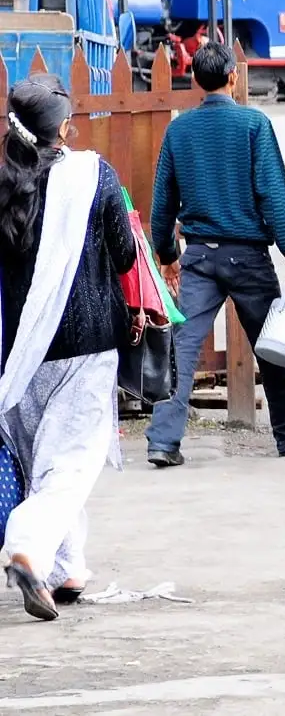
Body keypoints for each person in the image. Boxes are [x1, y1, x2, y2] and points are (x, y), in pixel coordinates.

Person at [0, 73, 139, 620]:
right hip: (86, 343)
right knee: (71, 464)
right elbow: (125, 256)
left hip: (20, 351)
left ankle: (67, 570)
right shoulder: (91, 174)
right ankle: (26, 546)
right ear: (64, 128)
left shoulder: (5, 182)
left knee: (44, 460)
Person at [146, 43, 285, 466]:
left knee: (183, 347)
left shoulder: (179, 130)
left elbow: (162, 206)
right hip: (247, 258)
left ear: (194, 80)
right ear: (234, 77)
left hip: (199, 260)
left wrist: (168, 254)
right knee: (275, 345)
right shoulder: (253, 124)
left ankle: (163, 442)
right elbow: (274, 196)